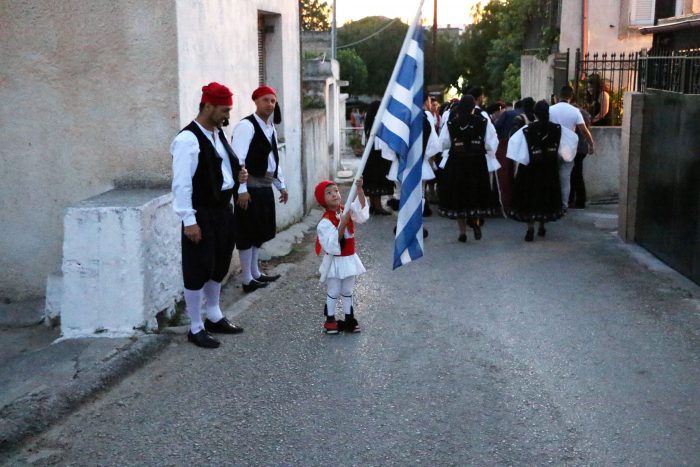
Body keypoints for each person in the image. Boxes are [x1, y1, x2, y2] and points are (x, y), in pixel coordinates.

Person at [170, 82, 248, 349]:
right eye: (224, 110)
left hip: (223, 210)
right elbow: (182, 184)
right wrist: (189, 220)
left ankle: (214, 315)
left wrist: (239, 177)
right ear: (208, 107)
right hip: (201, 212)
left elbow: (223, 168)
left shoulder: (217, 133)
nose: (227, 115)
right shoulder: (187, 139)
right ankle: (195, 326)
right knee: (197, 268)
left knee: (219, 264)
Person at [231, 85, 287, 293]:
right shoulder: (247, 126)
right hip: (249, 188)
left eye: (273, 101)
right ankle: (247, 279)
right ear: (255, 101)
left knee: (258, 232)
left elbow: (273, 160)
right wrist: (241, 189)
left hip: (264, 186)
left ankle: (255, 273)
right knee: (247, 232)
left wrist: (281, 185)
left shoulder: (270, 128)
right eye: (265, 100)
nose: (270, 104)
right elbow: (239, 160)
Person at [506, 100, 578, 241]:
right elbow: (571, 141)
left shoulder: (527, 129)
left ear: (535, 114)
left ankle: (530, 228)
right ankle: (542, 226)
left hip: (530, 169)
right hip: (549, 169)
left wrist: (524, 160)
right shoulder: (557, 129)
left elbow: (514, 146)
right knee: (545, 196)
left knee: (531, 197)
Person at [437, 95, 500, 242]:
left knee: (459, 196)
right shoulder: (483, 122)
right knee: (475, 193)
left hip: (457, 162)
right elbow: (491, 143)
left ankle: (462, 232)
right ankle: (476, 222)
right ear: (473, 108)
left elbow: (443, 143)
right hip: (477, 162)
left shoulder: (451, 123)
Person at [314, 178, 369, 334]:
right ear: (322, 199)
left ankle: (349, 318)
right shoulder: (325, 222)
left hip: (349, 259)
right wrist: (342, 223)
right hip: (335, 261)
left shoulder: (347, 209)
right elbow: (332, 244)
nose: (334, 194)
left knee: (347, 290)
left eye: (336, 191)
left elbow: (362, 213)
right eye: (328, 193)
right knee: (334, 290)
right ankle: (330, 319)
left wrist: (359, 190)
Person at [549, 85, 596, 211]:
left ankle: (553, 203)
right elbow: (584, 131)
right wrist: (591, 144)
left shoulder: (551, 109)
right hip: (568, 149)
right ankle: (564, 205)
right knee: (566, 178)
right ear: (571, 96)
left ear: (559, 96)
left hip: (553, 148)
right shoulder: (575, 111)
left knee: (553, 176)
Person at [361, 101, 393, 215]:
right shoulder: (378, 123)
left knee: (372, 181)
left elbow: (364, 142)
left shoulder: (369, 123)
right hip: (378, 157)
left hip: (370, 156)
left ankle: (373, 205)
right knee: (377, 181)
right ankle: (378, 206)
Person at [569, 105, 593, 208]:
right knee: (576, 174)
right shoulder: (584, 114)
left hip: (576, 148)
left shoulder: (576, 114)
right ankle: (578, 200)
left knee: (575, 175)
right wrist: (591, 144)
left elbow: (582, 130)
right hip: (582, 148)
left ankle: (577, 200)